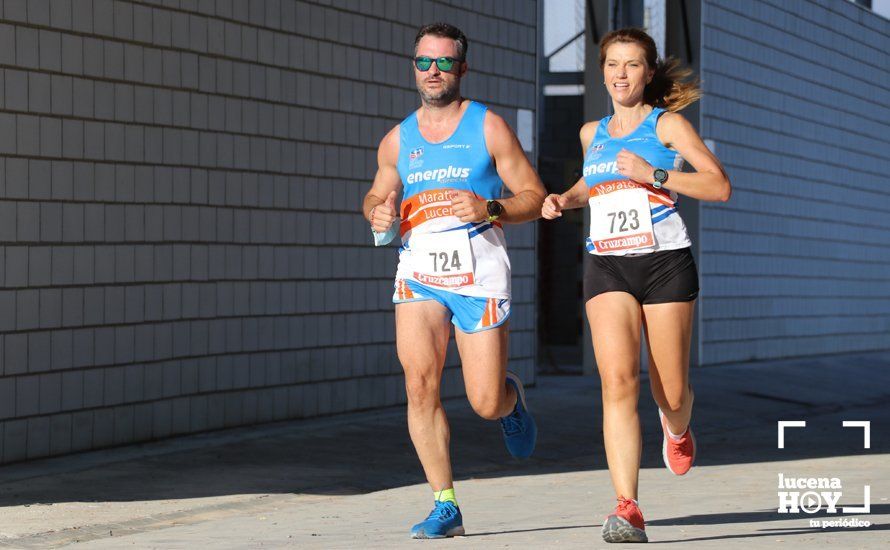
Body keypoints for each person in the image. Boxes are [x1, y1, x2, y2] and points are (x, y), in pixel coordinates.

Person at [541, 28, 731, 543]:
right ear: (602, 70)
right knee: (618, 382)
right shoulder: (590, 133)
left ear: (648, 73)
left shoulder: (667, 125)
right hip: (608, 266)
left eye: (631, 65)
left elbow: (718, 184)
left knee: (669, 391)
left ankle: (677, 427)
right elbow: (591, 185)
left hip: (665, 263)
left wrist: (656, 175)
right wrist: (564, 199)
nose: (620, 74)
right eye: (612, 65)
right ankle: (627, 507)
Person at [363, 22, 546, 539]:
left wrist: (492, 206)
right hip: (419, 271)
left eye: (444, 62)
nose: (434, 71)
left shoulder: (488, 127)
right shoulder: (397, 139)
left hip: (479, 273)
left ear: (462, 69)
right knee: (419, 384)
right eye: (425, 61)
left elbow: (533, 195)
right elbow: (376, 196)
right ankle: (445, 504)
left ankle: (510, 401)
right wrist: (377, 212)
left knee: (483, 401)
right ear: (413, 67)